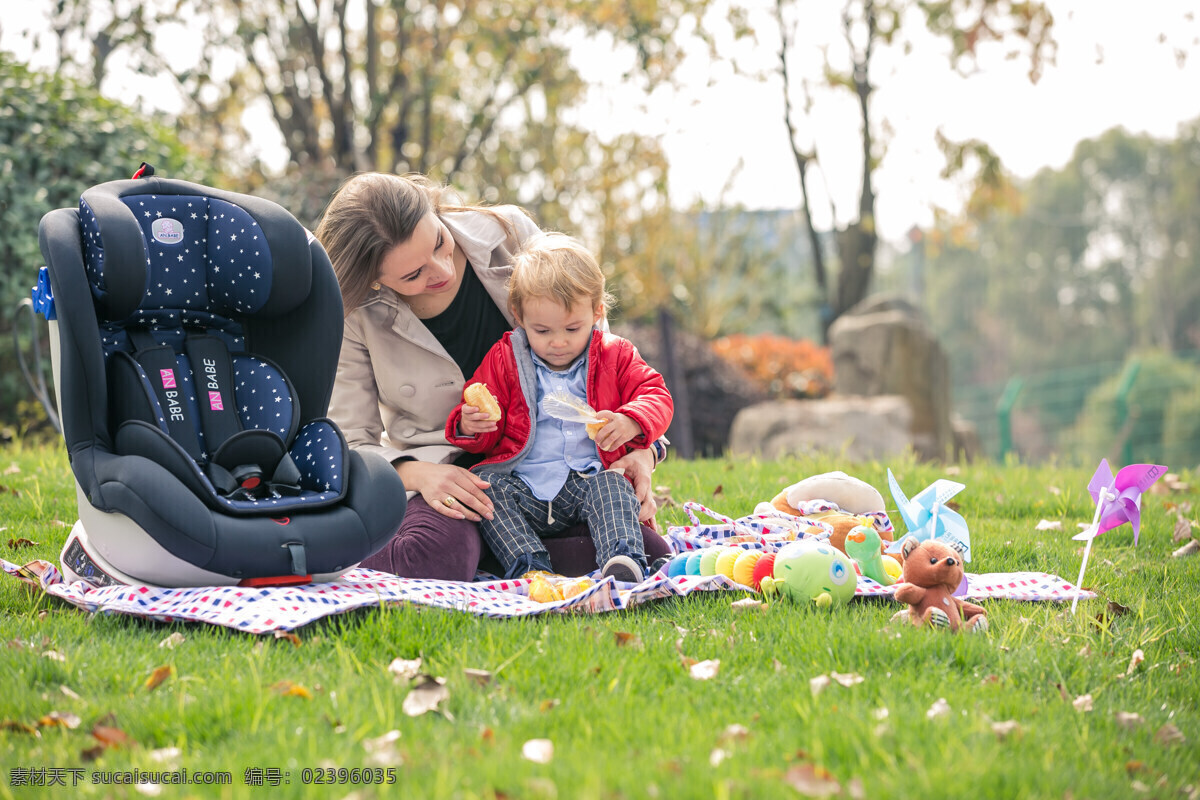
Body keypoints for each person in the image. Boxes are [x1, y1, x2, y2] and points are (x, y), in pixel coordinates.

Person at [315, 173, 671, 581]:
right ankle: (502, 551)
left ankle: (508, 557)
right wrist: (418, 474)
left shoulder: (509, 234)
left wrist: (643, 451)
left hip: (560, 464)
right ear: (376, 279)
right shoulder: (356, 313)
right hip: (455, 476)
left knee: (649, 550)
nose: (441, 270)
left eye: (438, 242)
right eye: (413, 276)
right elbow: (350, 442)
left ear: (434, 210)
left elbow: (604, 363)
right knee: (431, 554)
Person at [445, 233, 673, 583]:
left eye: (572, 328)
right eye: (542, 330)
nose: (558, 342)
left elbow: (655, 394)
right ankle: (530, 566)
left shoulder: (616, 354)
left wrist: (631, 420)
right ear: (519, 317)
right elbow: (483, 429)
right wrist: (470, 425)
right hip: (525, 485)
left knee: (613, 484)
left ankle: (623, 559)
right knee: (487, 486)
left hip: (587, 481)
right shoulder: (506, 359)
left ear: (597, 313)